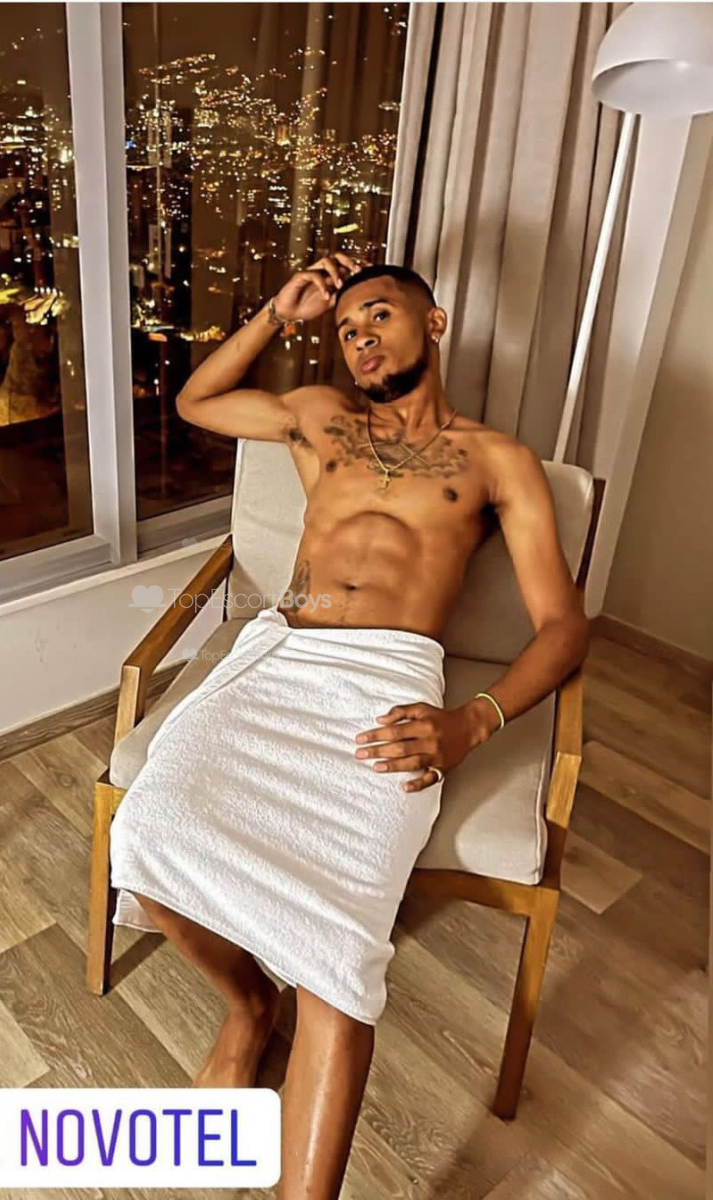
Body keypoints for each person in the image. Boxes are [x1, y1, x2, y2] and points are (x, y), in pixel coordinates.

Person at [109, 254, 590, 1200]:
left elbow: (564, 627)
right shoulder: (320, 416)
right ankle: (249, 1006)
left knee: (337, 947)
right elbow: (199, 403)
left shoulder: (498, 462)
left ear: (435, 323)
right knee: (144, 835)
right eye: (346, 329)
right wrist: (275, 314)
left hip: (388, 687)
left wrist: (473, 722)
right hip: (280, 659)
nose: (360, 338)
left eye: (379, 317)